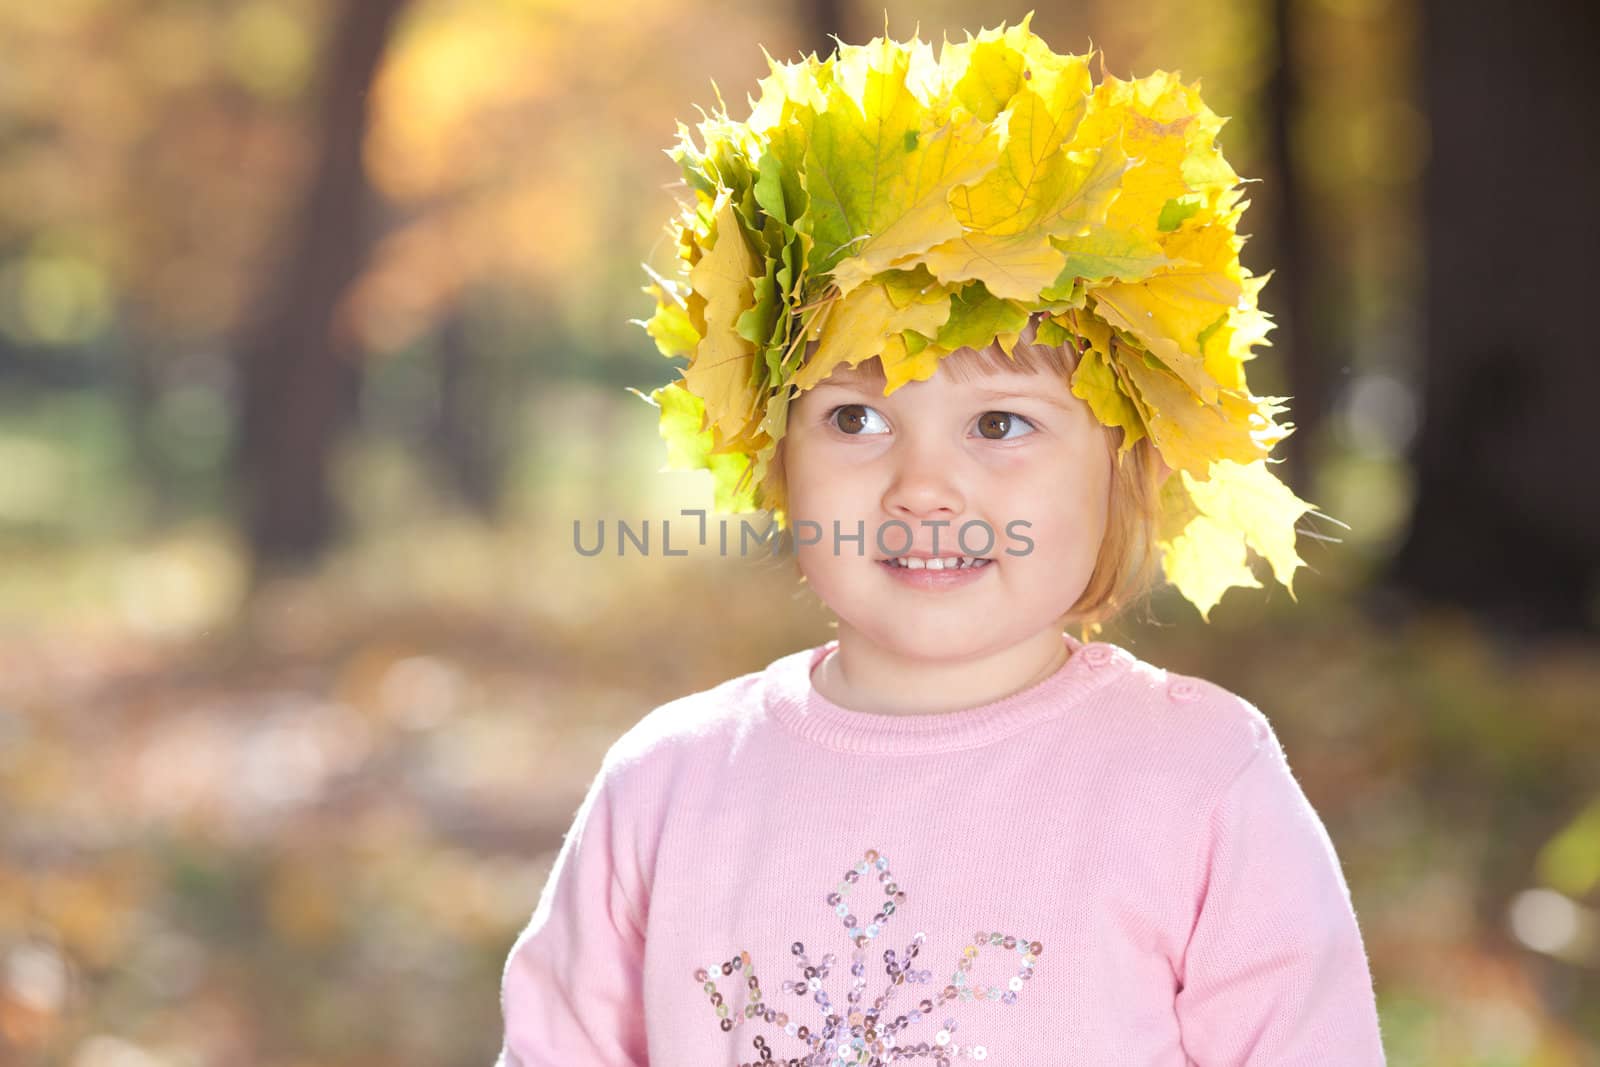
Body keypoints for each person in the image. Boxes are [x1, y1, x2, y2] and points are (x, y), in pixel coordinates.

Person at [497, 14, 1387, 1066]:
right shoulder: (668, 785)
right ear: (773, 451)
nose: (923, 486)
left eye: (1000, 423)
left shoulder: (1196, 781)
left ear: (1120, 463)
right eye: (855, 419)